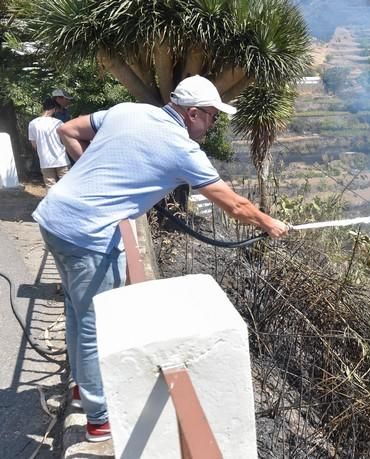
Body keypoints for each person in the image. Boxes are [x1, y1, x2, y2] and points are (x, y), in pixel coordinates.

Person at [32, 75, 290, 442]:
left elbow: (68, 131)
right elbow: (234, 204)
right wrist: (269, 224)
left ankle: (83, 386)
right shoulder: (181, 149)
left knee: (76, 311)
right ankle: (98, 417)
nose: (214, 124)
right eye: (213, 117)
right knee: (93, 322)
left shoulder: (128, 112)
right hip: (87, 234)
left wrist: (98, 172)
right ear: (194, 113)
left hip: (55, 218)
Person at [27, 98, 70, 188]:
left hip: (45, 161)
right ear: (54, 109)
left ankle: (53, 202)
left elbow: (34, 145)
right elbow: (66, 141)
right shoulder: (58, 123)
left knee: (51, 187)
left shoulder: (33, 123)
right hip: (61, 159)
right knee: (67, 186)